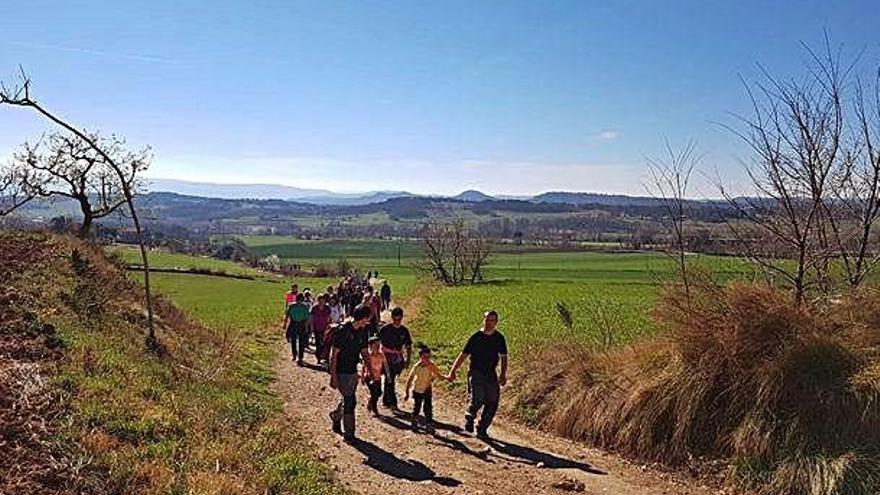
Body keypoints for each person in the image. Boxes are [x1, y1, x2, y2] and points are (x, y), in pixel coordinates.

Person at [447, 310, 508, 439]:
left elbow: (503, 357)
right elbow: (463, 355)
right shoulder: (476, 337)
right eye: (487, 320)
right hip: (476, 372)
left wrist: (502, 374)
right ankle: (470, 417)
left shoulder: (499, 338)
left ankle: (482, 429)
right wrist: (453, 370)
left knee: (493, 402)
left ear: (496, 322)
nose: (489, 323)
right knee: (478, 399)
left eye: (492, 320)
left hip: (491, 374)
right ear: (483, 320)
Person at [330, 305, 378, 444]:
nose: (368, 321)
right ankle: (349, 434)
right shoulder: (343, 331)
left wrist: (371, 370)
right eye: (367, 318)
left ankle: (336, 416)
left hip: (352, 370)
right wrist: (333, 376)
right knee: (351, 401)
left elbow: (364, 352)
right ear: (362, 318)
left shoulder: (363, 331)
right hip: (341, 370)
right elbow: (334, 355)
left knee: (348, 398)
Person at [404, 345, 449, 433]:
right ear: (420, 357)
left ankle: (429, 424)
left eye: (429, 357)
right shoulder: (417, 367)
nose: (427, 359)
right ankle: (414, 421)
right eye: (425, 357)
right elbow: (410, 379)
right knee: (417, 407)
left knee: (428, 408)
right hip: (417, 390)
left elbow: (438, 375)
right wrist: (407, 392)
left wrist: (448, 378)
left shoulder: (431, 365)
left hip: (427, 389)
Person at [378, 307, 412, 410]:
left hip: (397, 358)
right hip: (386, 357)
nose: (397, 321)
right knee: (390, 378)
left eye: (399, 319)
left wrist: (408, 359)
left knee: (391, 379)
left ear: (401, 318)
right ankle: (393, 402)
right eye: (395, 318)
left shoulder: (404, 331)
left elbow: (409, 345)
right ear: (392, 317)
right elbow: (377, 342)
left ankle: (386, 400)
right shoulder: (385, 329)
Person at [284, 292, 311, 365]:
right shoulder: (305, 306)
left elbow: (287, 316)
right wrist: (306, 327)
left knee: (293, 340)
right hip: (301, 324)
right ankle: (300, 357)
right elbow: (307, 318)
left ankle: (294, 354)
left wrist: (285, 324)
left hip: (294, 323)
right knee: (301, 341)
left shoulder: (291, 305)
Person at [362, 336, 386, 416]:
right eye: (375, 344)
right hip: (369, 377)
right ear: (371, 345)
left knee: (379, 393)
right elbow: (364, 366)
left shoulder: (381, 355)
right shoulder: (368, 355)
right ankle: (374, 409)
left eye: (378, 344)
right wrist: (362, 377)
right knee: (375, 393)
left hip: (378, 377)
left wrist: (387, 375)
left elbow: (385, 365)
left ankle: (370, 402)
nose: (377, 346)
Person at [309, 293, 332, 364]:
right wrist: (312, 327)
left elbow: (329, 318)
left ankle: (324, 356)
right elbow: (311, 318)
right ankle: (318, 358)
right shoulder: (314, 308)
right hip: (316, 328)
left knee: (324, 343)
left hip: (325, 328)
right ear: (318, 301)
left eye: (323, 301)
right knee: (318, 343)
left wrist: (329, 327)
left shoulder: (327, 308)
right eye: (320, 301)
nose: (321, 302)